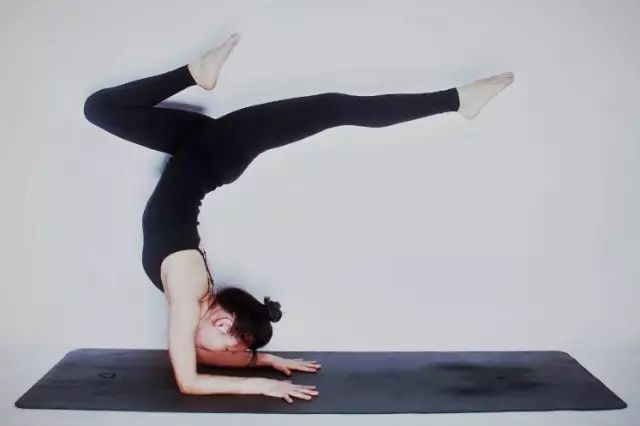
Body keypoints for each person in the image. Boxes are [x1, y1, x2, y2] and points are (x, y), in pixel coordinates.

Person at [83, 33, 514, 403]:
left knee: (100, 109)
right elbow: (197, 363)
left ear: (222, 321)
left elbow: (190, 378)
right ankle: (458, 100)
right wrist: (261, 368)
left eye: (231, 348)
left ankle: (195, 73)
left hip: (202, 151)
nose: (225, 352)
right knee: (333, 108)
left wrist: (260, 371)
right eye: (234, 348)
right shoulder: (192, 294)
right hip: (214, 153)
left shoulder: (188, 292)